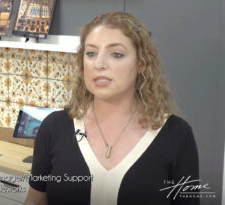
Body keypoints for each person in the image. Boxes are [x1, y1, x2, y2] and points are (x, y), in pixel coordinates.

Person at [24, 11, 200, 205]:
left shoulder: (177, 135)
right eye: (91, 53)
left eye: (116, 54)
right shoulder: (54, 127)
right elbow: (35, 201)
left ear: (141, 63)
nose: (99, 64)